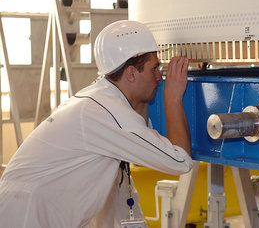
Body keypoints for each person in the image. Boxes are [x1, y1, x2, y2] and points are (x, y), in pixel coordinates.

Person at [0, 20, 193, 227]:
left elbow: (138, 126)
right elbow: (179, 161)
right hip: (26, 216)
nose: (160, 78)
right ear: (130, 73)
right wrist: (173, 98)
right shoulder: (108, 113)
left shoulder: (99, 99)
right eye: (154, 69)